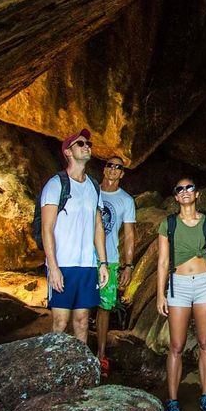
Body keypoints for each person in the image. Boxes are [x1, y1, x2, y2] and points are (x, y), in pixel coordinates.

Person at [156, 178, 206, 411]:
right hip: (179, 285)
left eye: (189, 188)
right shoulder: (169, 225)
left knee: (205, 342)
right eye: (180, 189)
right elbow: (163, 262)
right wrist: (160, 294)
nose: (185, 192)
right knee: (176, 345)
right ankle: (172, 401)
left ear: (197, 194)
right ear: (176, 197)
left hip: (205, 284)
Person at [40, 129, 110, 342]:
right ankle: (53, 372)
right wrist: (53, 268)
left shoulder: (93, 187)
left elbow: (98, 226)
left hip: (87, 265)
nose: (87, 146)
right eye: (80, 144)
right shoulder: (56, 184)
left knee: (82, 320)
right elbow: (47, 228)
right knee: (60, 322)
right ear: (68, 152)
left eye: (88, 143)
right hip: (64, 264)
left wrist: (103, 263)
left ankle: (82, 372)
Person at [96, 155, 136, 378]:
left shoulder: (126, 201)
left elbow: (129, 235)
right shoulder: (91, 191)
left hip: (110, 259)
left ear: (122, 173)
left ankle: (101, 355)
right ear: (104, 169)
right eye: (109, 165)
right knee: (80, 307)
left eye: (117, 167)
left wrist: (128, 266)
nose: (113, 169)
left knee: (104, 307)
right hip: (84, 258)